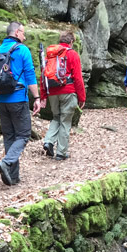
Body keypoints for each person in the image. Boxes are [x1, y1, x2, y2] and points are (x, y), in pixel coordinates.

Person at [0, 22, 41, 185]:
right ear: (17, 32)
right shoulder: (22, 50)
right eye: (23, 33)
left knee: (9, 136)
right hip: (18, 98)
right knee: (24, 134)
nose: (24, 37)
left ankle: (12, 176)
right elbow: (30, 75)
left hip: (1, 100)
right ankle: (6, 162)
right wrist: (37, 98)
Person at [39, 32, 86, 161]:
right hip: (68, 91)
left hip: (52, 92)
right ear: (71, 42)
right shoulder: (72, 54)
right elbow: (78, 78)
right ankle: (61, 153)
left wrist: (43, 95)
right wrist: (82, 98)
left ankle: (48, 141)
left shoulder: (51, 55)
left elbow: (43, 75)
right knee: (65, 121)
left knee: (56, 117)